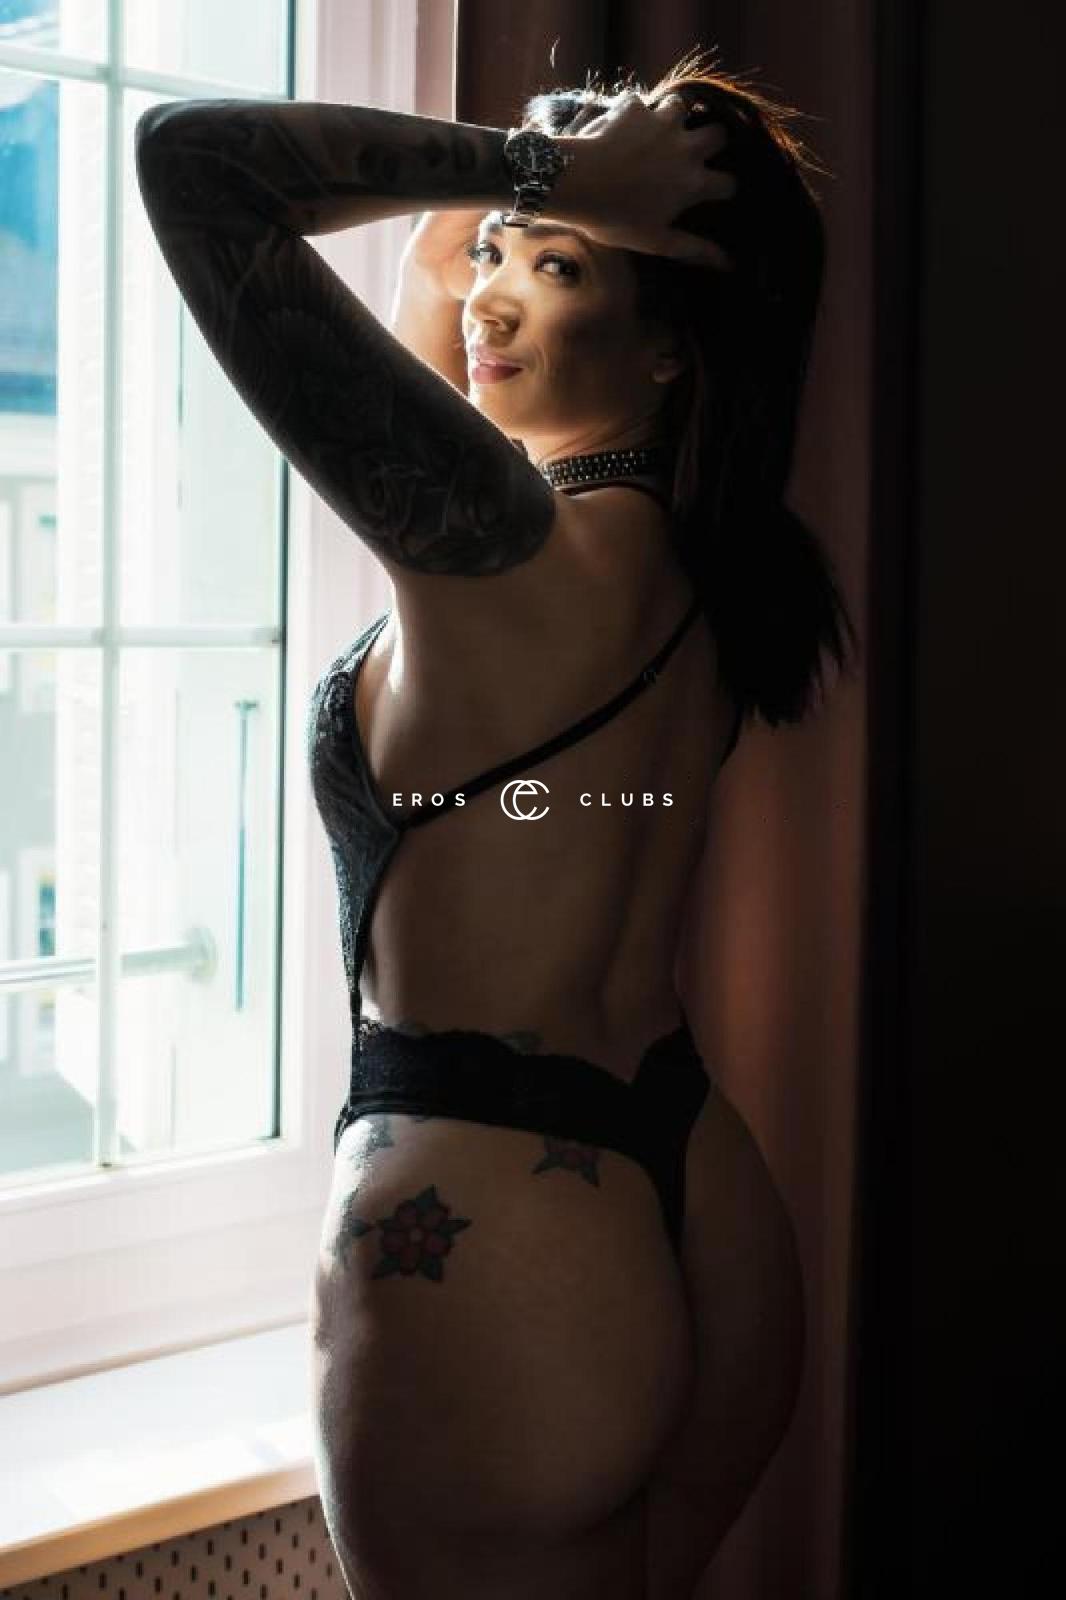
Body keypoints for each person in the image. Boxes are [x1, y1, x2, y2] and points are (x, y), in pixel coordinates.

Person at [136, 43, 859, 1600]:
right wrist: (549, 186)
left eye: (564, 267)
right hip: (689, 1196)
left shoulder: (499, 549)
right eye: (502, 255)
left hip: (499, 1239)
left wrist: (543, 168)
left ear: (668, 348)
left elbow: (193, 161)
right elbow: (428, 274)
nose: (492, 298)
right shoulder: (707, 566)